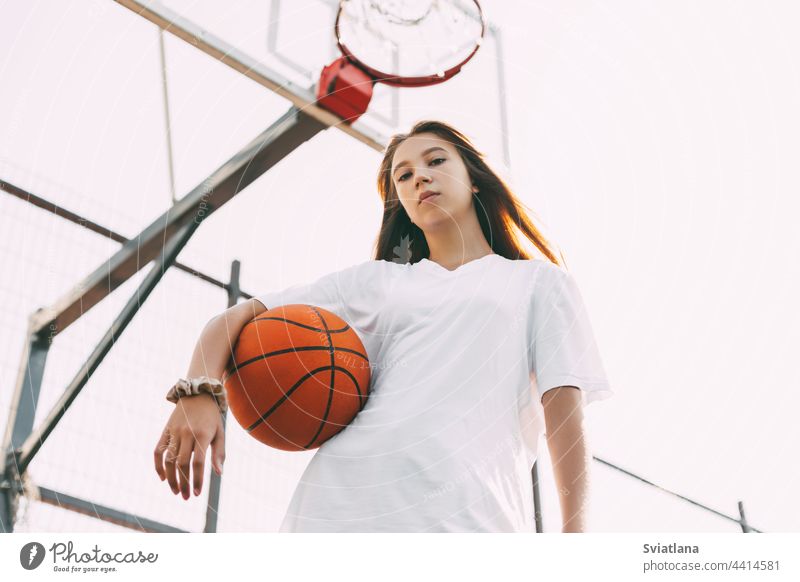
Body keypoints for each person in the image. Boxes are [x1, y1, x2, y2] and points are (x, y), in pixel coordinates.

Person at [153, 120, 614, 532]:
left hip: (469, 519)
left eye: (435, 161)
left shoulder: (538, 283)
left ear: (475, 180)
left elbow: (565, 414)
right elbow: (233, 319)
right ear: (403, 206)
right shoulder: (379, 282)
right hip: (335, 512)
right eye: (404, 175)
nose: (421, 177)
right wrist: (199, 392)